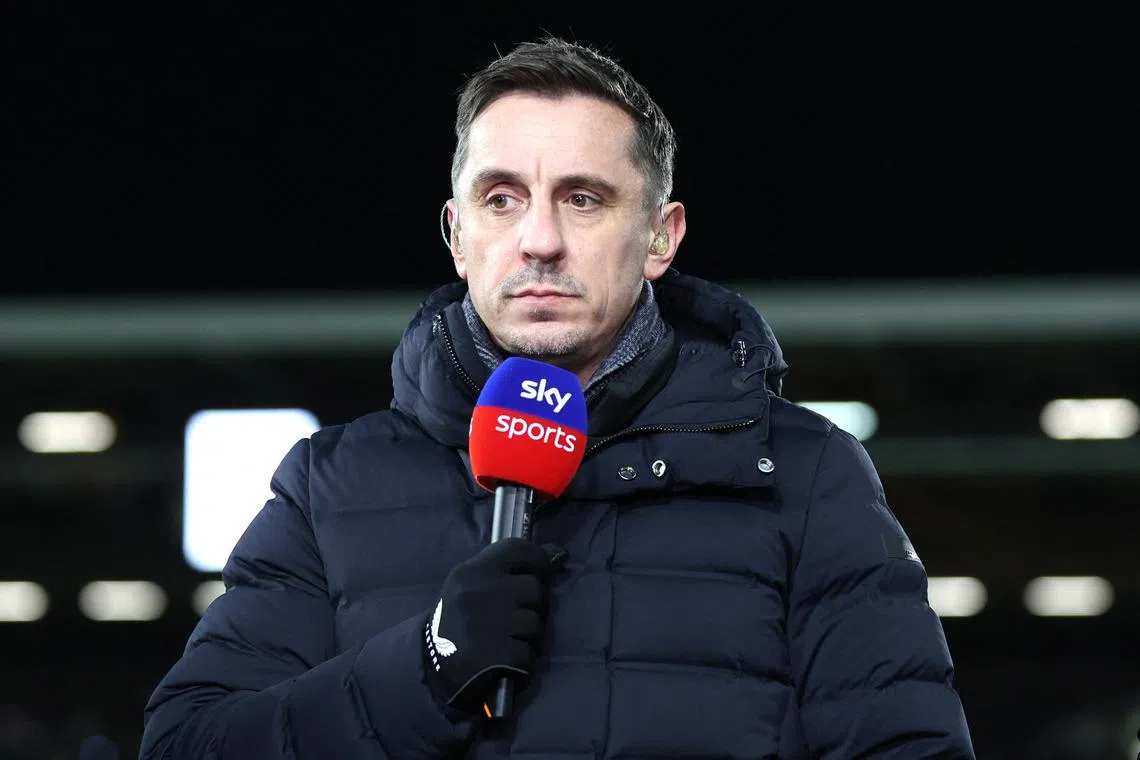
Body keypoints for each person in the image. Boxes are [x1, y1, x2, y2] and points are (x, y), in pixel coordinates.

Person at [140, 36, 975, 759]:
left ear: (660, 236)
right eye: (501, 200)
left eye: (583, 198)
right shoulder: (330, 486)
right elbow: (187, 744)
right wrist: (424, 668)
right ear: (459, 236)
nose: (538, 240)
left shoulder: (805, 474)